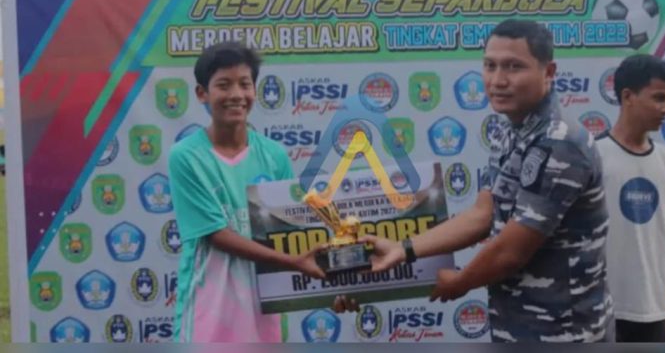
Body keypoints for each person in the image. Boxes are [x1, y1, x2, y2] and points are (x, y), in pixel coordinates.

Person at [335, 19, 613, 342]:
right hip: (518, 327)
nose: (498, 80)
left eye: (514, 67)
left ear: (548, 72)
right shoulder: (509, 130)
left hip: (565, 333)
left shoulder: (560, 142)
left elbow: (511, 252)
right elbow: (482, 214)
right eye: (490, 66)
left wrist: (459, 281)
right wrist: (402, 249)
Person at [168, 42, 325, 342]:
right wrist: (294, 263)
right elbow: (216, 234)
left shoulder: (274, 156)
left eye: (245, 84)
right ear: (202, 93)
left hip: (265, 313)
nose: (236, 95)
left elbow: (289, 232)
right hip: (209, 314)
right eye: (223, 85)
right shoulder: (186, 156)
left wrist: (337, 277)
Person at [596, 54, 665, 342]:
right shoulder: (592, 157)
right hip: (603, 310)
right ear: (628, 96)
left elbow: (659, 233)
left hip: (655, 309)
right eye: (658, 98)